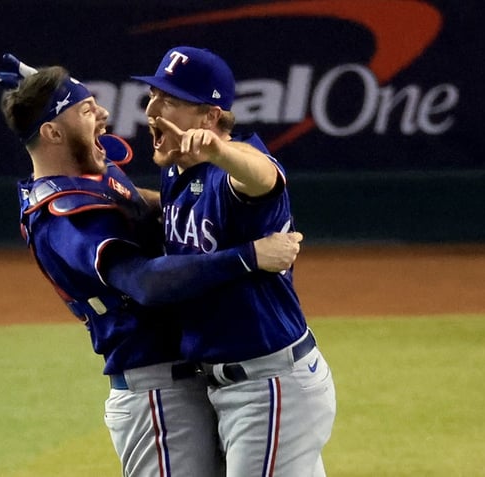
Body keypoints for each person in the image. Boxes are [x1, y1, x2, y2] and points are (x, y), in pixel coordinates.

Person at [0, 54, 305, 477]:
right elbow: (144, 282)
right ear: (54, 131)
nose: (106, 114)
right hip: (155, 397)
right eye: (88, 109)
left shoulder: (85, 176)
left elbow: (137, 201)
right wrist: (249, 255)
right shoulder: (66, 217)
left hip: (189, 386)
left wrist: (47, 88)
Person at [131, 46, 337, 477]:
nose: (152, 109)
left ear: (209, 117)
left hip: (269, 386)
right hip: (231, 387)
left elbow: (264, 176)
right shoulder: (175, 169)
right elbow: (180, 212)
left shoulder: (232, 173)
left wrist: (220, 153)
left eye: (169, 100)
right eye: (152, 95)